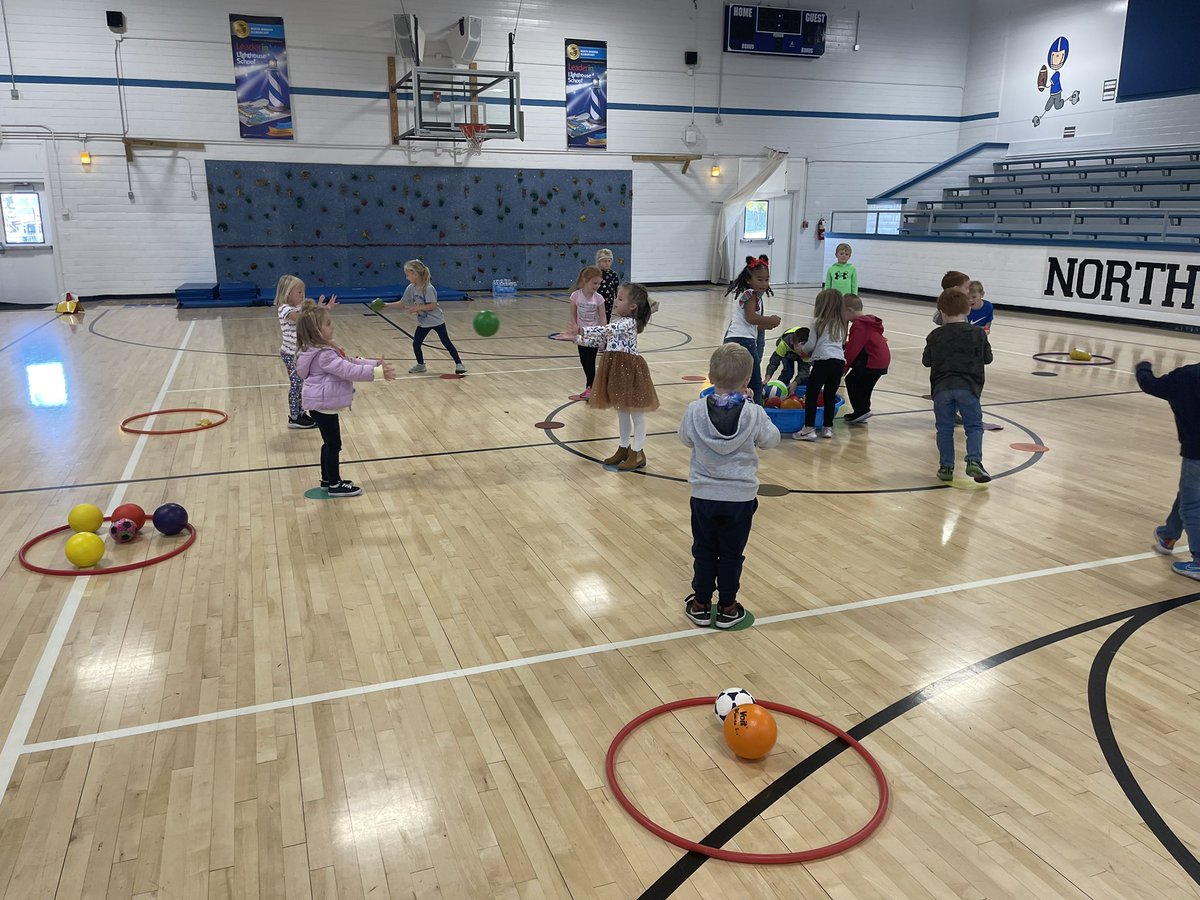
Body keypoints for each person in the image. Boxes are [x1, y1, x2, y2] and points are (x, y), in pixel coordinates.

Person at [680, 342, 780, 629]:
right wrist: (754, 407)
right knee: (731, 553)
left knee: (704, 549)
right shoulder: (753, 412)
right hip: (740, 498)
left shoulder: (695, 409)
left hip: (704, 495)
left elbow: (685, 438)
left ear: (711, 378)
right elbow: (770, 440)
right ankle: (727, 607)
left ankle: (700, 604)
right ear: (747, 380)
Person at [555, 283, 659, 470]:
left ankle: (638, 452)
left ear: (633, 306)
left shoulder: (628, 323)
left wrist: (581, 330)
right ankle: (624, 448)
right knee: (622, 411)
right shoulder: (619, 322)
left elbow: (605, 330)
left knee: (636, 413)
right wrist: (575, 338)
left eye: (620, 299)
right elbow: (600, 339)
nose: (615, 301)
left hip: (629, 371)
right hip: (616, 369)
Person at [296, 305, 396, 497]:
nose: (332, 326)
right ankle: (335, 484)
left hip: (320, 405)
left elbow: (350, 361)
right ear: (316, 330)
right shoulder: (324, 354)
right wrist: (376, 372)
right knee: (334, 444)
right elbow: (347, 370)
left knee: (329, 444)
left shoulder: (321, 349)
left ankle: (327, 480)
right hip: (323, 406)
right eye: (327, 323)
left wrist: (374, 363)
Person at [1136, 359, 1200, 581]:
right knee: (1188, 496)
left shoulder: (1186, 376)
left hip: (1196, 454)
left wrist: (1143, 368)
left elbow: (1150, 385)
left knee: (1192, 505)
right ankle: (1168, 536)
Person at [922, 289, 993, 483]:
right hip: (969, 387)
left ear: (942, 312)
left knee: (944, 429)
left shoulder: (935, 335)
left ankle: (946, 467)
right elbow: (988, 358)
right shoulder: (977, 333)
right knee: (974, 426)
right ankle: (974, 462)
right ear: (968, 310)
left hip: (941, 388)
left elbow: (926, 361)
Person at [383, 259, 467, 375]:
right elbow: (403, 302)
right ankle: (421, 365)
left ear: (415, 274)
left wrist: (417, 308)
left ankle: (459, 364)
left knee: (446, 342)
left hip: (436, 320)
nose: (407, 278)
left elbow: (432, 305)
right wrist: (386, 305)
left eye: (408, 275)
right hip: (424, 322)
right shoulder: (411, 288)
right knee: (416, 343)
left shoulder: (428, 288)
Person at [275, 274, 335, 429]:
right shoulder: (285, 309)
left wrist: (323, 309)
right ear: (287, 293)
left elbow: (309, 317)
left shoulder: (298, 307)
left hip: (300, 354)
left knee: (301, 384)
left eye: (303, 291)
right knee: (296, 384)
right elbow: (303, 319)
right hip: (290, 354)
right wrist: (319, 310)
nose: (302, 295)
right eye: (299, 292)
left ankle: (301, 413)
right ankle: (294, 417)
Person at [722, 255, 780, 404]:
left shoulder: (753, 296)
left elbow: (753, 324)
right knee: (755, 382)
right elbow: (751, 318)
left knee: (735, 380)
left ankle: (729, 406)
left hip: (733, 339)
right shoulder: (751, 294)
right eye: (759, 279)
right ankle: (759, 414)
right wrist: (770, 319)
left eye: (766, 279)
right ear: (749, 280)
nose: (764, 283)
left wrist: (768, 325)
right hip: (744, 341)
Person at [792, 289, 847, 441]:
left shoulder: (817, 322)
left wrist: (801, 350)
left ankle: (809, 428)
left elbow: (810, 346)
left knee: (812, 394)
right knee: (830, 395)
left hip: (823, 361)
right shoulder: (842, 324)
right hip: (839, 362)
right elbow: (840, 344)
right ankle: (827, 428)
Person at [841, 294, 891, 424]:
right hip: (881, 360)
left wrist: (843, 367)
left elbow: (853, 349)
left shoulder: (859, 325)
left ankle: (861, 411)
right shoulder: (869, 322)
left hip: (872, 360)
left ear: (849, 310)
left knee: (851, 380)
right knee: (864, 386)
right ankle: (863, 410)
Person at [568, 265, 608, 398]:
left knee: (590, 361)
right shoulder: (575, 296)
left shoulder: (599, 298)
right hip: (581, 334)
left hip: (594, 335)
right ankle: (593, 386)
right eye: (594, 283)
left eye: (599, 283)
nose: (597, 286)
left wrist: (604, 335)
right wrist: (574, 327)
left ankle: (591, 388)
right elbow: (573, 314)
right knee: (583, 360)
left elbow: (603, 318)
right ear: (585, 280)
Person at [763, 326, 811, 390]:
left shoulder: (808, 350)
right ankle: (779, 388)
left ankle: (800, 393)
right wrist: (766, 379)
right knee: (788, 372)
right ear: (793, 343)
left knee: (804, 378)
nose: (802, 352)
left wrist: (795, 383)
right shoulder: (784, 344)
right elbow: (774, 363)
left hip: (799, 349)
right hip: (788, 352)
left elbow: (804, 370)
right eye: (800, 351)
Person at [596, 248, 621, 321]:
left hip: (609, 301)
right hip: (596, 300)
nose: (607, 263)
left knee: (607, 318)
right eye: (604, 261)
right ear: (599, 262)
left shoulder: (613, 274)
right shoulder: (596, 273)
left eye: (609, 261)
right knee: (596, 317)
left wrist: (617, 300)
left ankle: (605, 330)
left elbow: (617, 288)